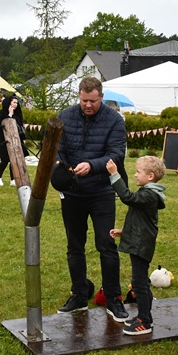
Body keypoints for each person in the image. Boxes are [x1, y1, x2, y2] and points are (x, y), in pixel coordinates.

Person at [55, 77, 129, 323]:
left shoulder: (114, 120)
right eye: (84, 100)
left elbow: (117, 154)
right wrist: (66, 169)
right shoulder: (65, 116)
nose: (88, 105)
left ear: (101, 97)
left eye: (93, 101)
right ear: (79, 95)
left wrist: (93, 165)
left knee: (106, 245)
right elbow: (58, 148)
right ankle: (78, 294)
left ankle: (113, 298)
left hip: (101, 192)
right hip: (73, 192)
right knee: (74, 246)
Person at [106, 155, 166, 335]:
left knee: (139, 283)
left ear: (150, 176)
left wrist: (115, 175)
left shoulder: (149, 194)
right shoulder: (148, 193)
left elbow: (127, 197)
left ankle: (145, 322)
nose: (135, 175)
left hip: (141, 245)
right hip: (139, 242)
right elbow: (141, 221)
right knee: (140, 282)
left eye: (138, 172)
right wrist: (124, 232)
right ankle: (144, 316)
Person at [0, 95, 28, 186]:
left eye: (17, 103)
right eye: (14, 102)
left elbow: (20, 126)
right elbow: (0, 126)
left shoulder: (18, 114)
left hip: (16, 140)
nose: (15, 105)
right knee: (5, 160)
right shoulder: (1, 113)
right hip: (4, 140)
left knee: (15, 160)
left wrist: (23, 139)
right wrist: (9, 115)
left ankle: (13, 179)